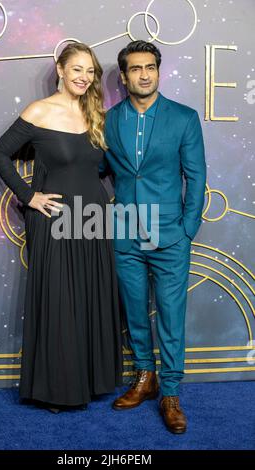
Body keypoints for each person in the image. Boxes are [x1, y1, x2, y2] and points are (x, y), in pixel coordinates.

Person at [0, 42, 122, 413]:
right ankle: (58, 389)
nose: (84, 77)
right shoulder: (39, 111)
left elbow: (99, 167)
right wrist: (28, 196)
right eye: (77, 69)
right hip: (54, 220)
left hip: (92, 217)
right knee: (61, 300)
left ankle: (92, 380)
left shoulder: (95, 112)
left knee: (90, 294)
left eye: (90, 71)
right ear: (60, 70)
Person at [103, 40, 206, 433]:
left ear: (158, 71)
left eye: (150, 67)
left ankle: (171, 391)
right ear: (124, 76)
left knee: (171, 315)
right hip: (126, 233)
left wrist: (187, 230)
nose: (144, 74)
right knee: (134, 311)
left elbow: (195, 176)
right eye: (135, 69)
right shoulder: (109, 120)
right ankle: (145, 378)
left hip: (170, 235)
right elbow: (98, 167)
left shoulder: (184, 117)